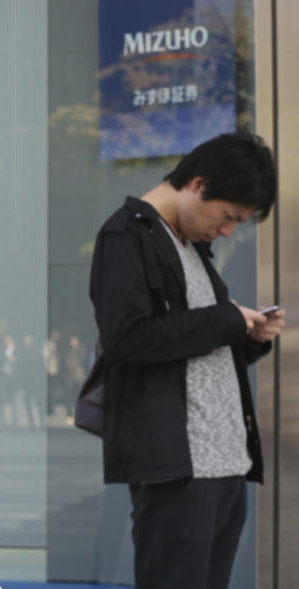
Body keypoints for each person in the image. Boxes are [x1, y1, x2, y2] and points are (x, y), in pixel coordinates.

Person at [89, 132, 285, 589]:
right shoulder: (126, 235)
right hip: (178, 468)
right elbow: (127, 340)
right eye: (229, 216)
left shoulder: (193, 246)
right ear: (198, 184)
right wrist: (225, 319)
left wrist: (250, 334)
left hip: (228, 463)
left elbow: (193, 352)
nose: (229, 230)